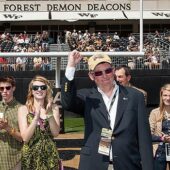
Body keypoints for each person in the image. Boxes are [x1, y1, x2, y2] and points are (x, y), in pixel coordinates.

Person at [61, 50, 154, 170]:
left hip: (128, 164)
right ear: (91, 76)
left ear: (113, 70)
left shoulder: (135, 96)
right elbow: (67, 103)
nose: (104, 75)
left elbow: (144, 137)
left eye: (108, 71)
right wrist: (71, 67)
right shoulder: (87, 97)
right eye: (99, 73)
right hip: (95, 164)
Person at [18, 75, 61, 170]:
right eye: (36, 87)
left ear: (47, 90)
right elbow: (25, 138)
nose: (39, 90)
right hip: (30, 156)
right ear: (32, 91)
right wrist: (36, 117)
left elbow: (55, 133)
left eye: (43, 87)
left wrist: (49, 114)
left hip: (50, 156)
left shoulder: (54, 108)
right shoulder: (23, 109)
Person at [0, 76, 23, 170]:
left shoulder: (21, 109)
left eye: (8, 88)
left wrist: (7, 127)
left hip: (14, 160)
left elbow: (23, 138)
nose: (4, 91)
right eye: (1, 88)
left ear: (13, 88)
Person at [149, 84, 170, 170]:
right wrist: (162, 138)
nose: (168, 98)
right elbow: (147, 134)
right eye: (165, 95)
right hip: (159, 151)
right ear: (161, 96)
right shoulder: (155, 112)